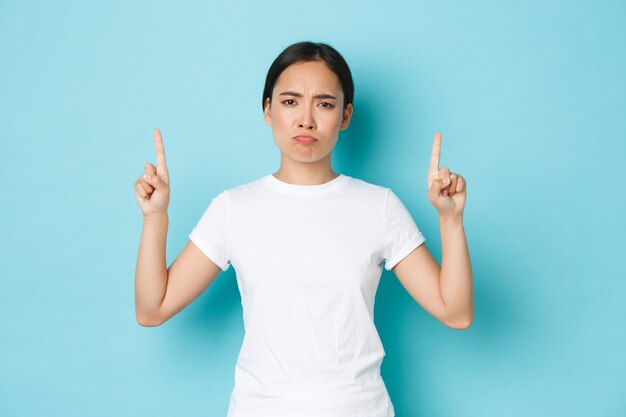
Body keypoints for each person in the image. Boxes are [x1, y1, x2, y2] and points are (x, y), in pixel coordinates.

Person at [134, 41, 473, 417]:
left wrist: (451, 220)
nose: (306, 119)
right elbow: (153, 308)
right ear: (268, 109)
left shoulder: (379, 206)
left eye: (324, 104)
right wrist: (155, 218)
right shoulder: (234, 208)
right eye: (290, 101)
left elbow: (455, 312)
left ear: (345, 116)